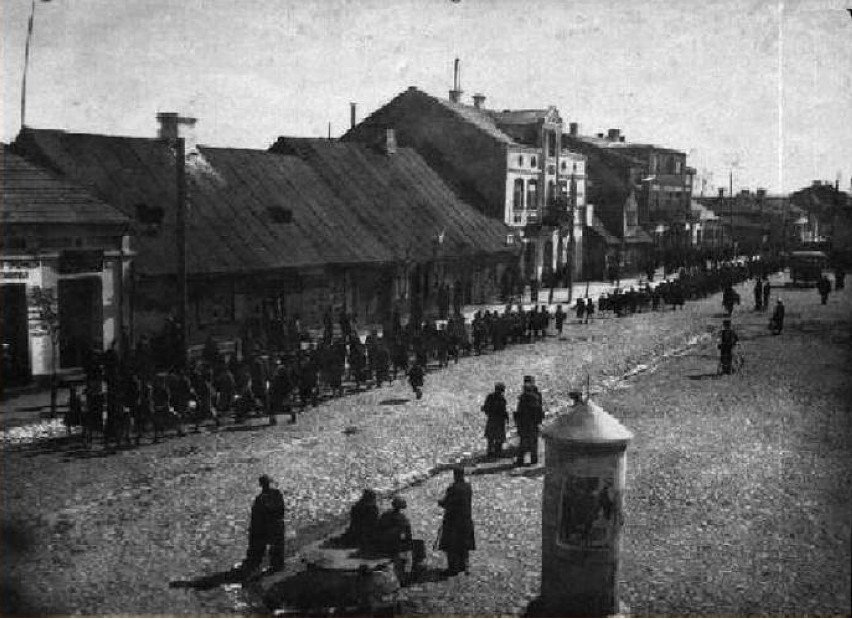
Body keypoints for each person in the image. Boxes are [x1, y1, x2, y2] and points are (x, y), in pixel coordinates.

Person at [242, 474, 287, 579]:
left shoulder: (261, 499)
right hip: (277, 525)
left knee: (263, 547)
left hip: (268, 527)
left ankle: (260, 567)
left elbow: (257, 517)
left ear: (261, 485)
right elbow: (281, 510)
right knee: (277, 547)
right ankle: (277, 565)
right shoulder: (276, 494)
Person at [438, 466, 475, 577]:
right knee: (464, 544)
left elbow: (447, 503)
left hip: (453, 522)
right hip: (466, 520)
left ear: (455, 475)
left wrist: (440, 502)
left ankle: (453, 568)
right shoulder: (468, 487)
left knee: (452, 545)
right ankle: (464, 566)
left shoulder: (453, 489)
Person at [377, 496, 413, 582]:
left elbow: (379, 527)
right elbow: (407, 533)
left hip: (383, 541)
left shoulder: (385, 514)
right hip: (394, 543)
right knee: (403, 557)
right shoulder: (401, 518)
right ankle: (403, 577)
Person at [514, 379, 544, 466]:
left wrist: (518, 423)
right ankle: (534, 460)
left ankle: (520, 460)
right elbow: (539, 412)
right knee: (533, 442)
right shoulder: (535, 398)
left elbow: (518, 413)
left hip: (523, 424)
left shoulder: (522, 399)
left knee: (523, 442)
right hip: (533, 424)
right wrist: (539, 421)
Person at [482, 382, 508, 458]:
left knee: (491, 437)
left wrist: (488, 413)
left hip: (492, 419)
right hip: (499, 420)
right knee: (498, 437)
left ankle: (490, 452)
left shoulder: (490, 397)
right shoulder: (501, 399)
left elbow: (486, 408)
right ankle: (497, 452)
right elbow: (503, 410)